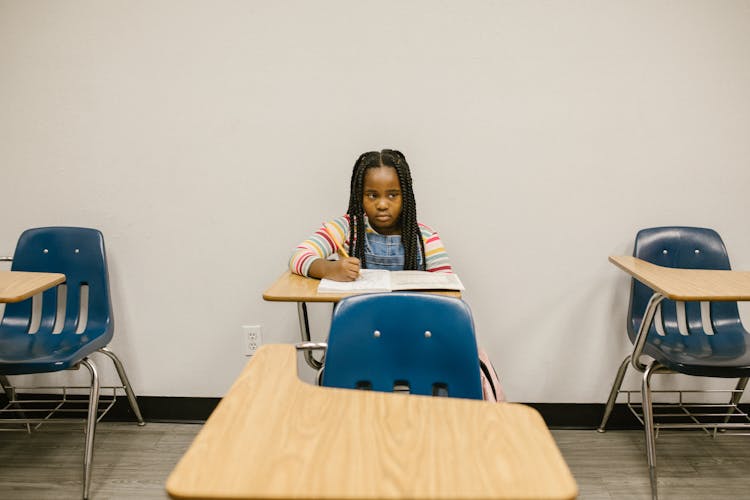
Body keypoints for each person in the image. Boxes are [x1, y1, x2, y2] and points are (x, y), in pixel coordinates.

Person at [289, 149, 452, 281]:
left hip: (412, 320)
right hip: (357, 321)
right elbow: (297, 257)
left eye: (392, 195)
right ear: (359, 196)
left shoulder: (426, 238)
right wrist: (329, 269)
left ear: (406, 197)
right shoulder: (346, 228)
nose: (382, 205)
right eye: (372, 195)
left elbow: (447, 289)